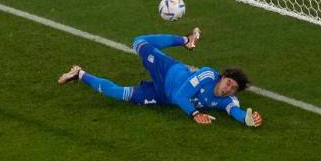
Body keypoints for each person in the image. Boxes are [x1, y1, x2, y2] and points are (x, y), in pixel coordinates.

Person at [58, 29, 263, 127]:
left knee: (121, 94)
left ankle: (79, 74)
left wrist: (250, 119)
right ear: (223, 77)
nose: (228, 89)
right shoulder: (208, 74)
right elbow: (181, 95)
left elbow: (236, 111)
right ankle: (185, 40)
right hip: (168, 71)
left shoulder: (228, 100)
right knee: (138, 42)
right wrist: (194, 114)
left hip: (162, 95)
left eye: (233, 88)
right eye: (228, 83)